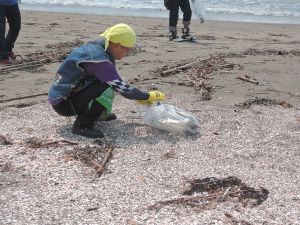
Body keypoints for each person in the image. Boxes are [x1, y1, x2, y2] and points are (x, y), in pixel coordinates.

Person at [48, 23, 166, 139]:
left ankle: (99, 114)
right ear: (117, 45)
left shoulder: (99, 46)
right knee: (106, 86)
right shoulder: (99, 61)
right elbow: (124, 89)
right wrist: (147, 96)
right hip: (64, 104)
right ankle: (82, 126)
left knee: (107, 82)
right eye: (127, 49)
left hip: (64, 96)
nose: (128, 53)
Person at [0, 0, 21, 64]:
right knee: (1, 31)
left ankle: (8, 48)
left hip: (13, 3)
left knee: (16, 27)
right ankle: (3, 56)